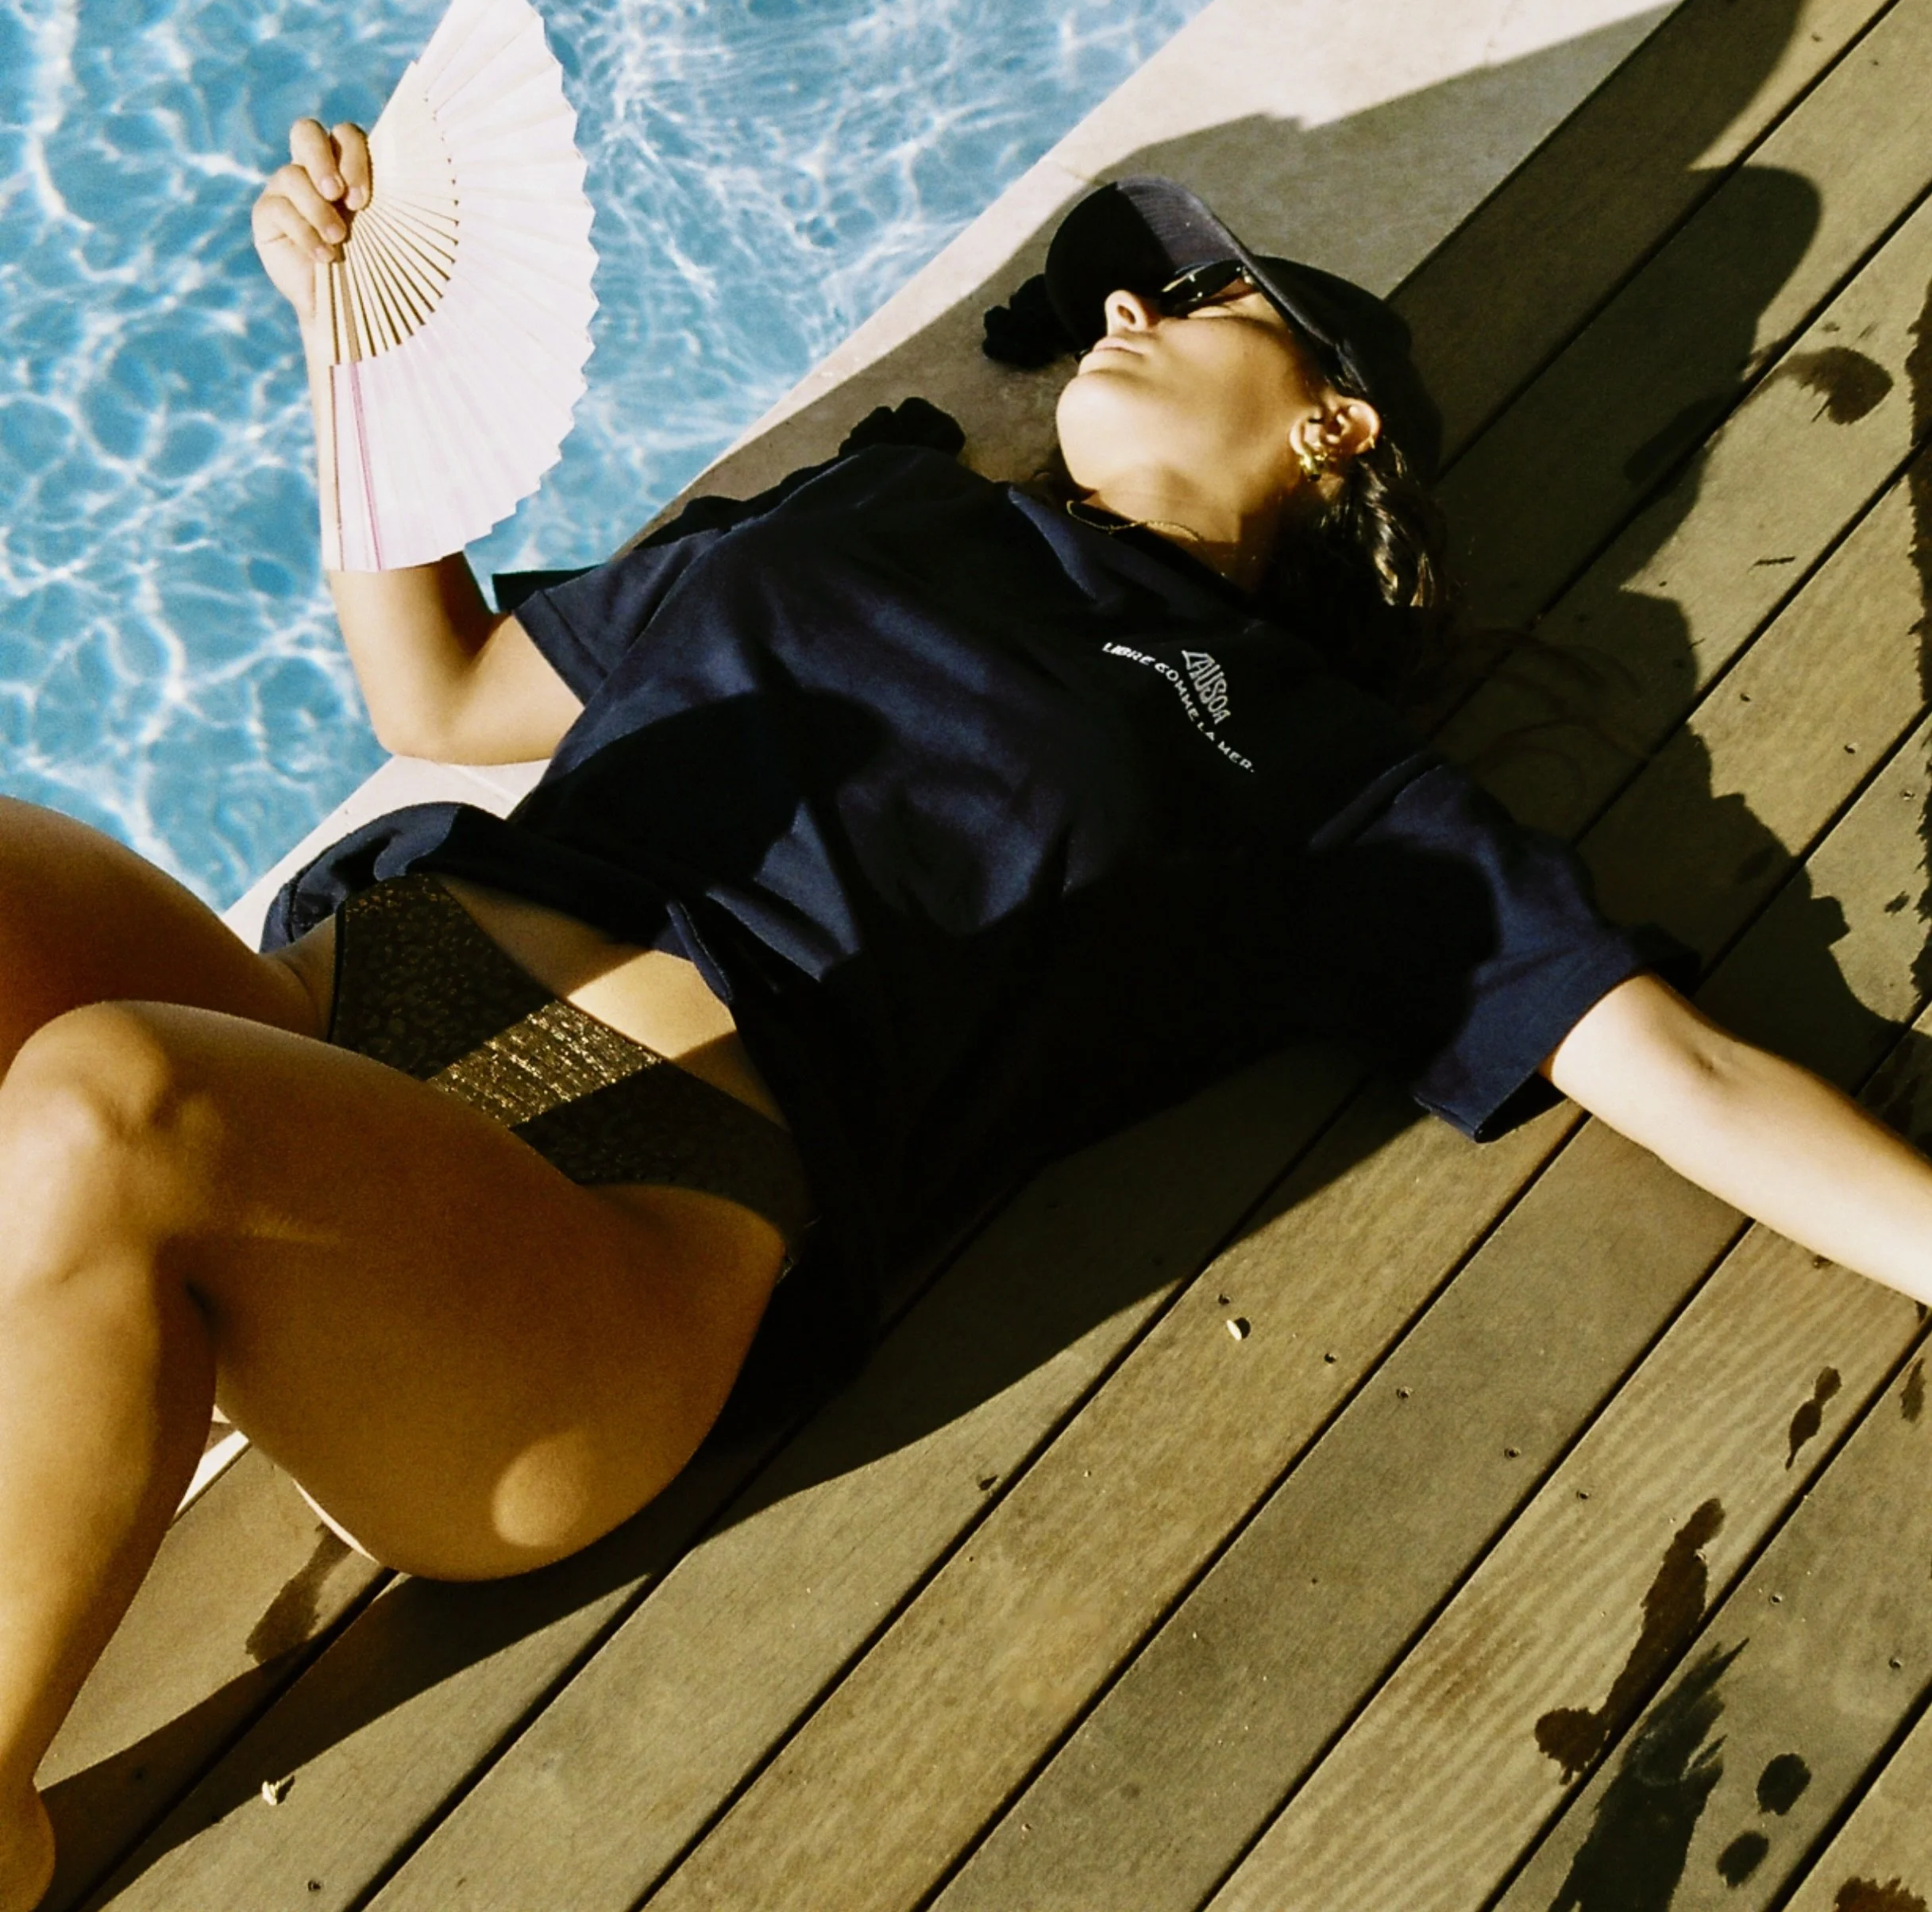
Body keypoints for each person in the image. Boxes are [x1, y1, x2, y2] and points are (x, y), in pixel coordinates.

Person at [1, 128, 1929, 1912]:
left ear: (1335, 425)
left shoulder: (1318, 768)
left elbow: (1667, 1064)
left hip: (596, 1243)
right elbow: (438, 695)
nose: (1123, 309)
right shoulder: (881, 493)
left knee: (108, 1104)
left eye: (1195, 303)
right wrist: (357, 348)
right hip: (338, 1042)